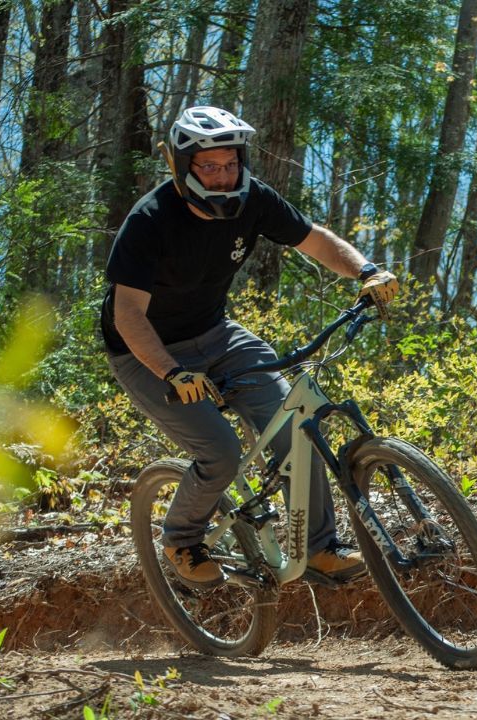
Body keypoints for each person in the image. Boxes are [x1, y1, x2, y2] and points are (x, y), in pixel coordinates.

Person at [101, 106, 399, 588]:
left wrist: (366, 271)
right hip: (146, 353)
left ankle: (321, 548)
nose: (223, 177)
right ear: (181, 165)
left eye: (230, 164)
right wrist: (172, 372)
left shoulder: (254, 200)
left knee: (296, 427)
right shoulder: (150, 221)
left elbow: (316, 241)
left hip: (217, 333)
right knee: (219, 450)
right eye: (209, 167)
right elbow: (128, 314)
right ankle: (181, 538)